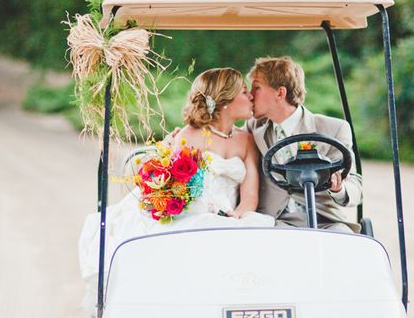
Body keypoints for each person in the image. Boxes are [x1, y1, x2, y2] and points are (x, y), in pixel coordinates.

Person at [78, 68, 274, 299]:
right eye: (244, 91)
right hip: (192, 212)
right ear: (225, 101)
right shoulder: (188, 136)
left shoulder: (247, 140)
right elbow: (177, 188)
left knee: (254, 237)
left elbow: (249, 196)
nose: (250, 95)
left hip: (233, 215)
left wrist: (236, 216)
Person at [245, 56, 362, 232]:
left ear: (280, 93)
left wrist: (339, 188)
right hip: (274, 222)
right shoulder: (254, 128)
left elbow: (355, 187)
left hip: (324, 221)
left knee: (344, 244)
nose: (250, 95)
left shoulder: (334, 128)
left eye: (256, 88)